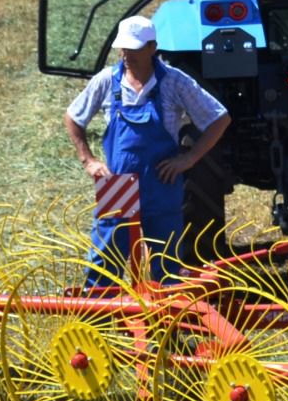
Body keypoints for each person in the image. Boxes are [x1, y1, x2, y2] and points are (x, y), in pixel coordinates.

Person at [65, 15, 230, 284]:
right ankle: (100, 319)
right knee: (104, 263)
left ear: (153, 47)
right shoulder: (107, 81)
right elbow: (73, 117)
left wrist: (189, 159)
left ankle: (167, 320)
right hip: (117, 184)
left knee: (166, 264)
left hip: (161, 183)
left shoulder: (175, 82)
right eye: (123, 48)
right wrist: (88, 160)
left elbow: (219, 118)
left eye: (134, 48)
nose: (126, 54)